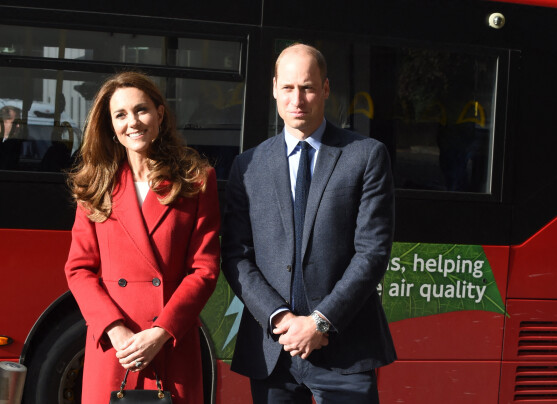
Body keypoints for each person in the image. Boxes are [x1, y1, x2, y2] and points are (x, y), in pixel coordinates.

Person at [221, 43, 396, 403]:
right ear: (274, 89)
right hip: (274, 351)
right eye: (287, 88)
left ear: (326, 89)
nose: (296, 99)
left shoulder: (365, 156)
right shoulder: (248, 166)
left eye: (307, 87)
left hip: (346, 351)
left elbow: (372, 253)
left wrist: (319, 322)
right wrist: (280, 318)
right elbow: (236, 255)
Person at [65, 71, 220, 404]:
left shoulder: (195, 180)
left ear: (160, 114)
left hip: (170, 344)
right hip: (115, 349)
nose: (132, 122)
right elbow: (79, 270)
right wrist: (116, 331)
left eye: (141, 110)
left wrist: (160, 333)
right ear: (109, 125)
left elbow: (204, 269)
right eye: (120, 114)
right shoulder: (94, 185)